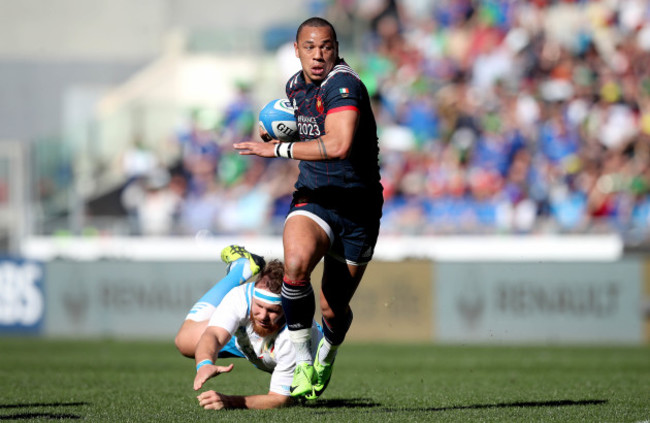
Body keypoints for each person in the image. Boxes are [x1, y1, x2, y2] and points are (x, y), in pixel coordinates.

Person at [234, 17, 383, 399]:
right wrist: (279, 129)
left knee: (334, 310)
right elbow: (310, 126)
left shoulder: (345, 85)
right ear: (297, 51)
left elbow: (338, 145)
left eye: (327, 47)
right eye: (310, 48)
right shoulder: (295, 86)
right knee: (296, 262)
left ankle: (326, 354)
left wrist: (276, 148)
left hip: (357, 208)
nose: (319, 56)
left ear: (336, 48)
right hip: (314, 196)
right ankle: (301, 361)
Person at [174, 245, 323, 410]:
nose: (263, 316)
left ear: (286, 309)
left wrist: (229, 401)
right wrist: (205, 363)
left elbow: (278, 399)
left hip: (289, 353)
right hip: (249, 340)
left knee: (299, 395)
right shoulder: (241, 296)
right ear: (253, 294)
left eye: (273, 310)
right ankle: (241, 268)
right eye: (258, 306)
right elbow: (214, 334)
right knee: (185, 342)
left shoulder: (294, 337)